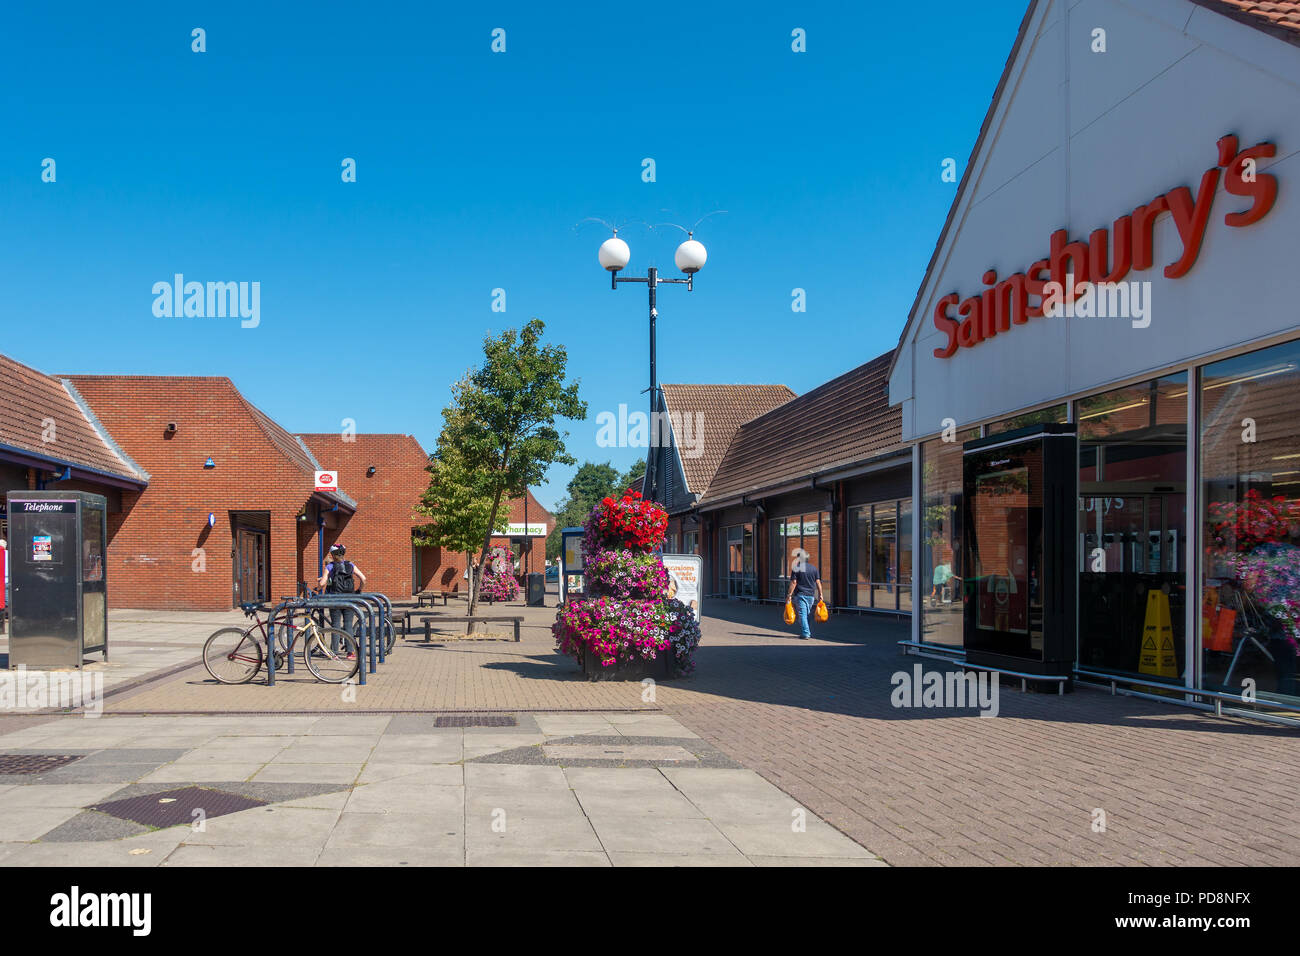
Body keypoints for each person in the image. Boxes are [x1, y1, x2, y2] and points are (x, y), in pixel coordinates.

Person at [319, 544, 366, 640]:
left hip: (335, 598)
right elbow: (363, 578)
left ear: (332, 555)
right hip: (349, 598)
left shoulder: (330, 566)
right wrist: (359, 590)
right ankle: (350, 652)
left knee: (335, 625)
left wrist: (318, 587)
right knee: (348, 625)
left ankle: (335, 653)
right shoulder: (350, 565)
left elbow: (322, 583)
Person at [785, 547, 822, 640]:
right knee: (807, 614)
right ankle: (806, 631)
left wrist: (789, 595)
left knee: (802, 615)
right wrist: (821, 594)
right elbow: (818, 582)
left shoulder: (796, 568)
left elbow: (794, 582)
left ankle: (805, 633)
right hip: (811, 595)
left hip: (800, 595)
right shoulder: (814, 569)